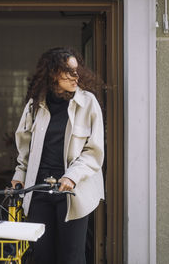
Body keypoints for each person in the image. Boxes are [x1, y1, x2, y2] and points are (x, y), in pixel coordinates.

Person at [11, 47, 104, 264]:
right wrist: (19, 175)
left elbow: (94, 151)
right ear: (53, 74)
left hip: (74, 190)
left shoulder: (88, 103)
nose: (75, 76)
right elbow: (24, 148)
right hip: (39, 190)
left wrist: (71, 176)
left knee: (71, 257)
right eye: (68, 71)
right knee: (42, 255)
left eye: (76, 70)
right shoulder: (36, 104)